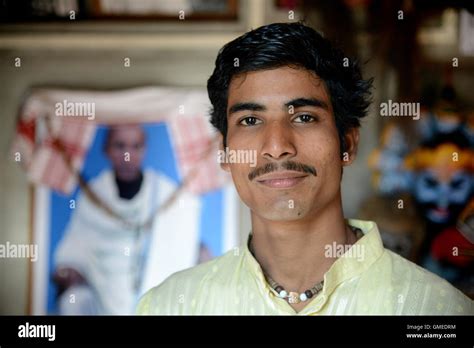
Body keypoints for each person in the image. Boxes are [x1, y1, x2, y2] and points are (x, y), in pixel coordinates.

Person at [137, 22, 473, 315]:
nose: (276, 145)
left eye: (304, 117)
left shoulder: (434, 310)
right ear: (225, 152)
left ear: (348, 144)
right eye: (250, 120)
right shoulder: (171, 306)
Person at [54, 124, 201, 315]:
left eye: (136, 146)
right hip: (102, 299)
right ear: (106, 149)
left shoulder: (165, 194)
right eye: (120, 146)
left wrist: (199, 252)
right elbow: (73, 252)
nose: (127, 155)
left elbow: (183, 231)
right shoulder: (93, 196)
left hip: (154, 295)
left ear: (145, 149)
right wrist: (69, 273)